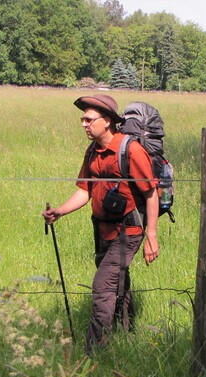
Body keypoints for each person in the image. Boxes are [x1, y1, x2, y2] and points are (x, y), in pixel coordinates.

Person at [42, 94, 159, 355]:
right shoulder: (93, 151)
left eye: (88, 119)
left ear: (107, 121)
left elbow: (151, 193)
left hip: (129, 230)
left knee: (102, 287)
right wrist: (60, 211)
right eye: (82, 119)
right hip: (103, 229)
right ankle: (127, 331)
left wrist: (151, 236)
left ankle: (94, 351)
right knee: (117, 280)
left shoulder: (131, 150)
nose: (83, 123)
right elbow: (85, 190)